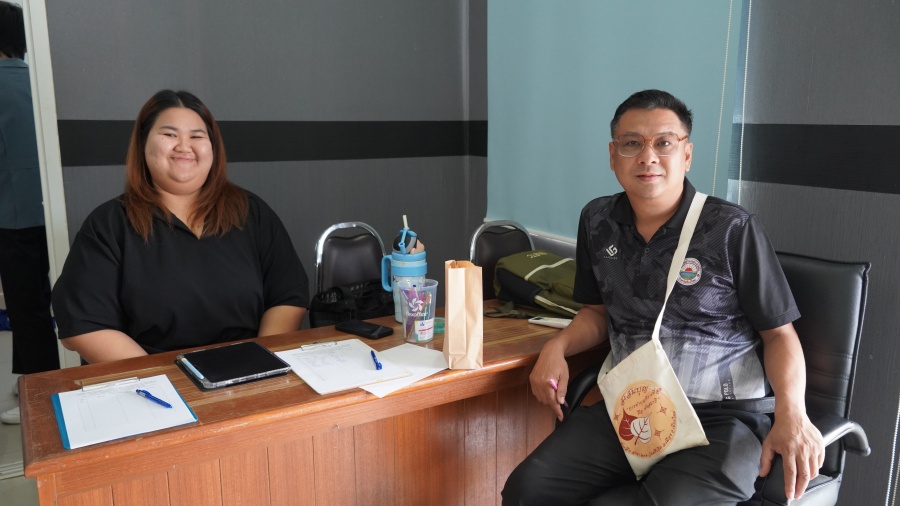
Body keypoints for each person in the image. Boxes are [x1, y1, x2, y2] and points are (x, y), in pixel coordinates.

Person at [502, 90, 824, 505]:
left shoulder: (731, 228)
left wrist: (792, 412)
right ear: (613, 155)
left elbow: (779, 334)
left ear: (686, 154)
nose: (647, 157)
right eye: (631, 143)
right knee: (528, 490)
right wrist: (557, 346)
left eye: (664, 143)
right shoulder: (598, 221)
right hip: (635, 407)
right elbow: (597, 313)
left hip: (722, 421)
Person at [51, 89, 310, 363]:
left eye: (197, 136)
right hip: (152, 378)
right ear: (142, 144)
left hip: (248, 368)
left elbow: (287, 296)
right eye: (169, 134)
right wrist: (163, 378)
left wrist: (260, 362)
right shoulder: (109, 224)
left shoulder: (250, 211)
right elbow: (84, 326)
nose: (184, 146)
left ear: (213, 147)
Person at [0, 0, 60, 425]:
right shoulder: (42, 79)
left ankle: (39, 395)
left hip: (11, 214)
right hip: (54, 209)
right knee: (47, 298)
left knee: (27, 305)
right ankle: (34, 379)